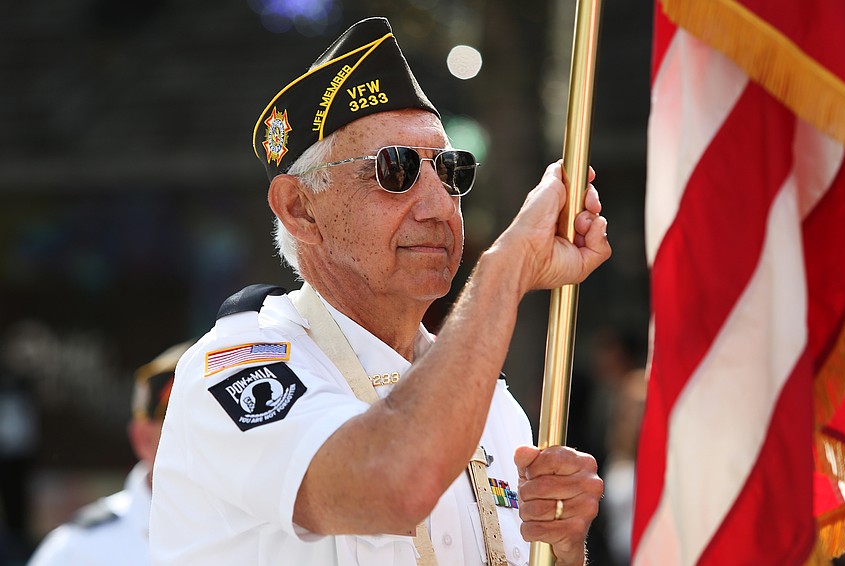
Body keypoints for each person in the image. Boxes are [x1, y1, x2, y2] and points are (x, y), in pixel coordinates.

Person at [150, 16, 611, 566]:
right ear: (300, 209)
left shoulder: (489, 402)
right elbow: (395, 483)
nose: (440, 206)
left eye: (450, 171)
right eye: (395, 170)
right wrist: (504, 269)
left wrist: (562, 551)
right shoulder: (234, 366)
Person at [28, 341, 191, 566]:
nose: (214, 437)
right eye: (187, 423)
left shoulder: (255, 527)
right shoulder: (78, 551)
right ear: (143, 439)